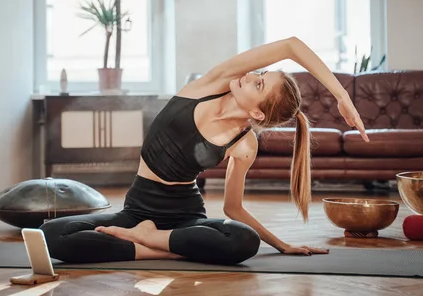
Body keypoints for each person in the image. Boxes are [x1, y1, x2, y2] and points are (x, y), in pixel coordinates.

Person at [40, 36, 369, 265]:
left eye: (259, 84)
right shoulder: (212, 84)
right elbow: (290, 45)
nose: (251, 75)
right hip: (136, 210)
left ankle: (150, 241)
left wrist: (281, 245)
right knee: (52, 234)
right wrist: (342, 95)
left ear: (257, 114)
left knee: (242, 241)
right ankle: (158, 249)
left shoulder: (243, 144)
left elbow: (233, 208)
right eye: (260, 75)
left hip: (185, 219)